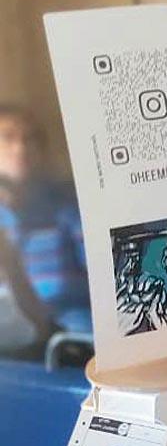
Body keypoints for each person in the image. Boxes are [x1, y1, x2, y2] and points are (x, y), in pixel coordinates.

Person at [0, 106, 88, 351]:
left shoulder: (68, 208)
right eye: (8, 138)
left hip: (73, 339)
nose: (21, 148)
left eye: (30, 139)